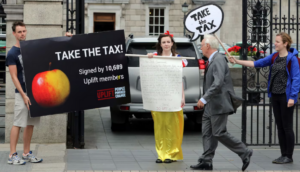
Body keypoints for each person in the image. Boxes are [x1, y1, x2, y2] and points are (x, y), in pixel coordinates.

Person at [229, 32, 300, 164]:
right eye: (275, 41)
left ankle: (288, 156)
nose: (275, 43)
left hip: (286, 96)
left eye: (278, 41)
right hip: (275, 96)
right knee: (279, 126)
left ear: (285, 43)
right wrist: (237, 61)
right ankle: (283, 154)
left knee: (287, 127)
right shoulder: (274, 57)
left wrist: (292, 97)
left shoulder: (292, 59)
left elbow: (296, 79)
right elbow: (257, 64)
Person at [190, 34, 253, 171]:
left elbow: (218, 83)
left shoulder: (218, 59)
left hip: (219, 103)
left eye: (201, 45)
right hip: (211, 105)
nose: (200, 47)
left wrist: (204, 98)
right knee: (207, 132)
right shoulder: (213, 59)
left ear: (207, 46)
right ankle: (206, 160)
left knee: (218, 132)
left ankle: (244, 151)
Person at [147, 31, 187, 163]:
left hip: (173, 96)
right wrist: (148, 57)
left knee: (173, 126)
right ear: (160, 44)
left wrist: (182, 96)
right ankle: (161, 154)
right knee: (159, 126)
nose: (166, 44)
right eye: (163, 42)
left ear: (172, 43)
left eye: (168, 42)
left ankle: (171, 154)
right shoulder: (154, 57)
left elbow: (180, 79)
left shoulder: (178, 58)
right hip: (158, 96)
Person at [6, 22, 43, 165]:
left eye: (24, 31)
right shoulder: (12, 53)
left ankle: (26, 153)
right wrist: (23, 95)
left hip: (34, 93)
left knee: (30, 124)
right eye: (19, 32)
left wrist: (67, 38)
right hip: (22, 94)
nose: (22, 34)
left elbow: (50, 49)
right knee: (18, 123)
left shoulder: (30, 50)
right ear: (14, 34)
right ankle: (12, 155)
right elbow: (14, 77)